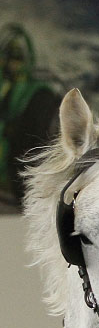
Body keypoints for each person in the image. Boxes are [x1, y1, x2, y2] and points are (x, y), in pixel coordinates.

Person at [0, 23, 59, 209]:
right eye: (8, 57)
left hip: (21, 175)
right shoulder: (5, 87)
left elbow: (39, 139)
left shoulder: (40, 94)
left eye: (16, 57)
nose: (12, 64)